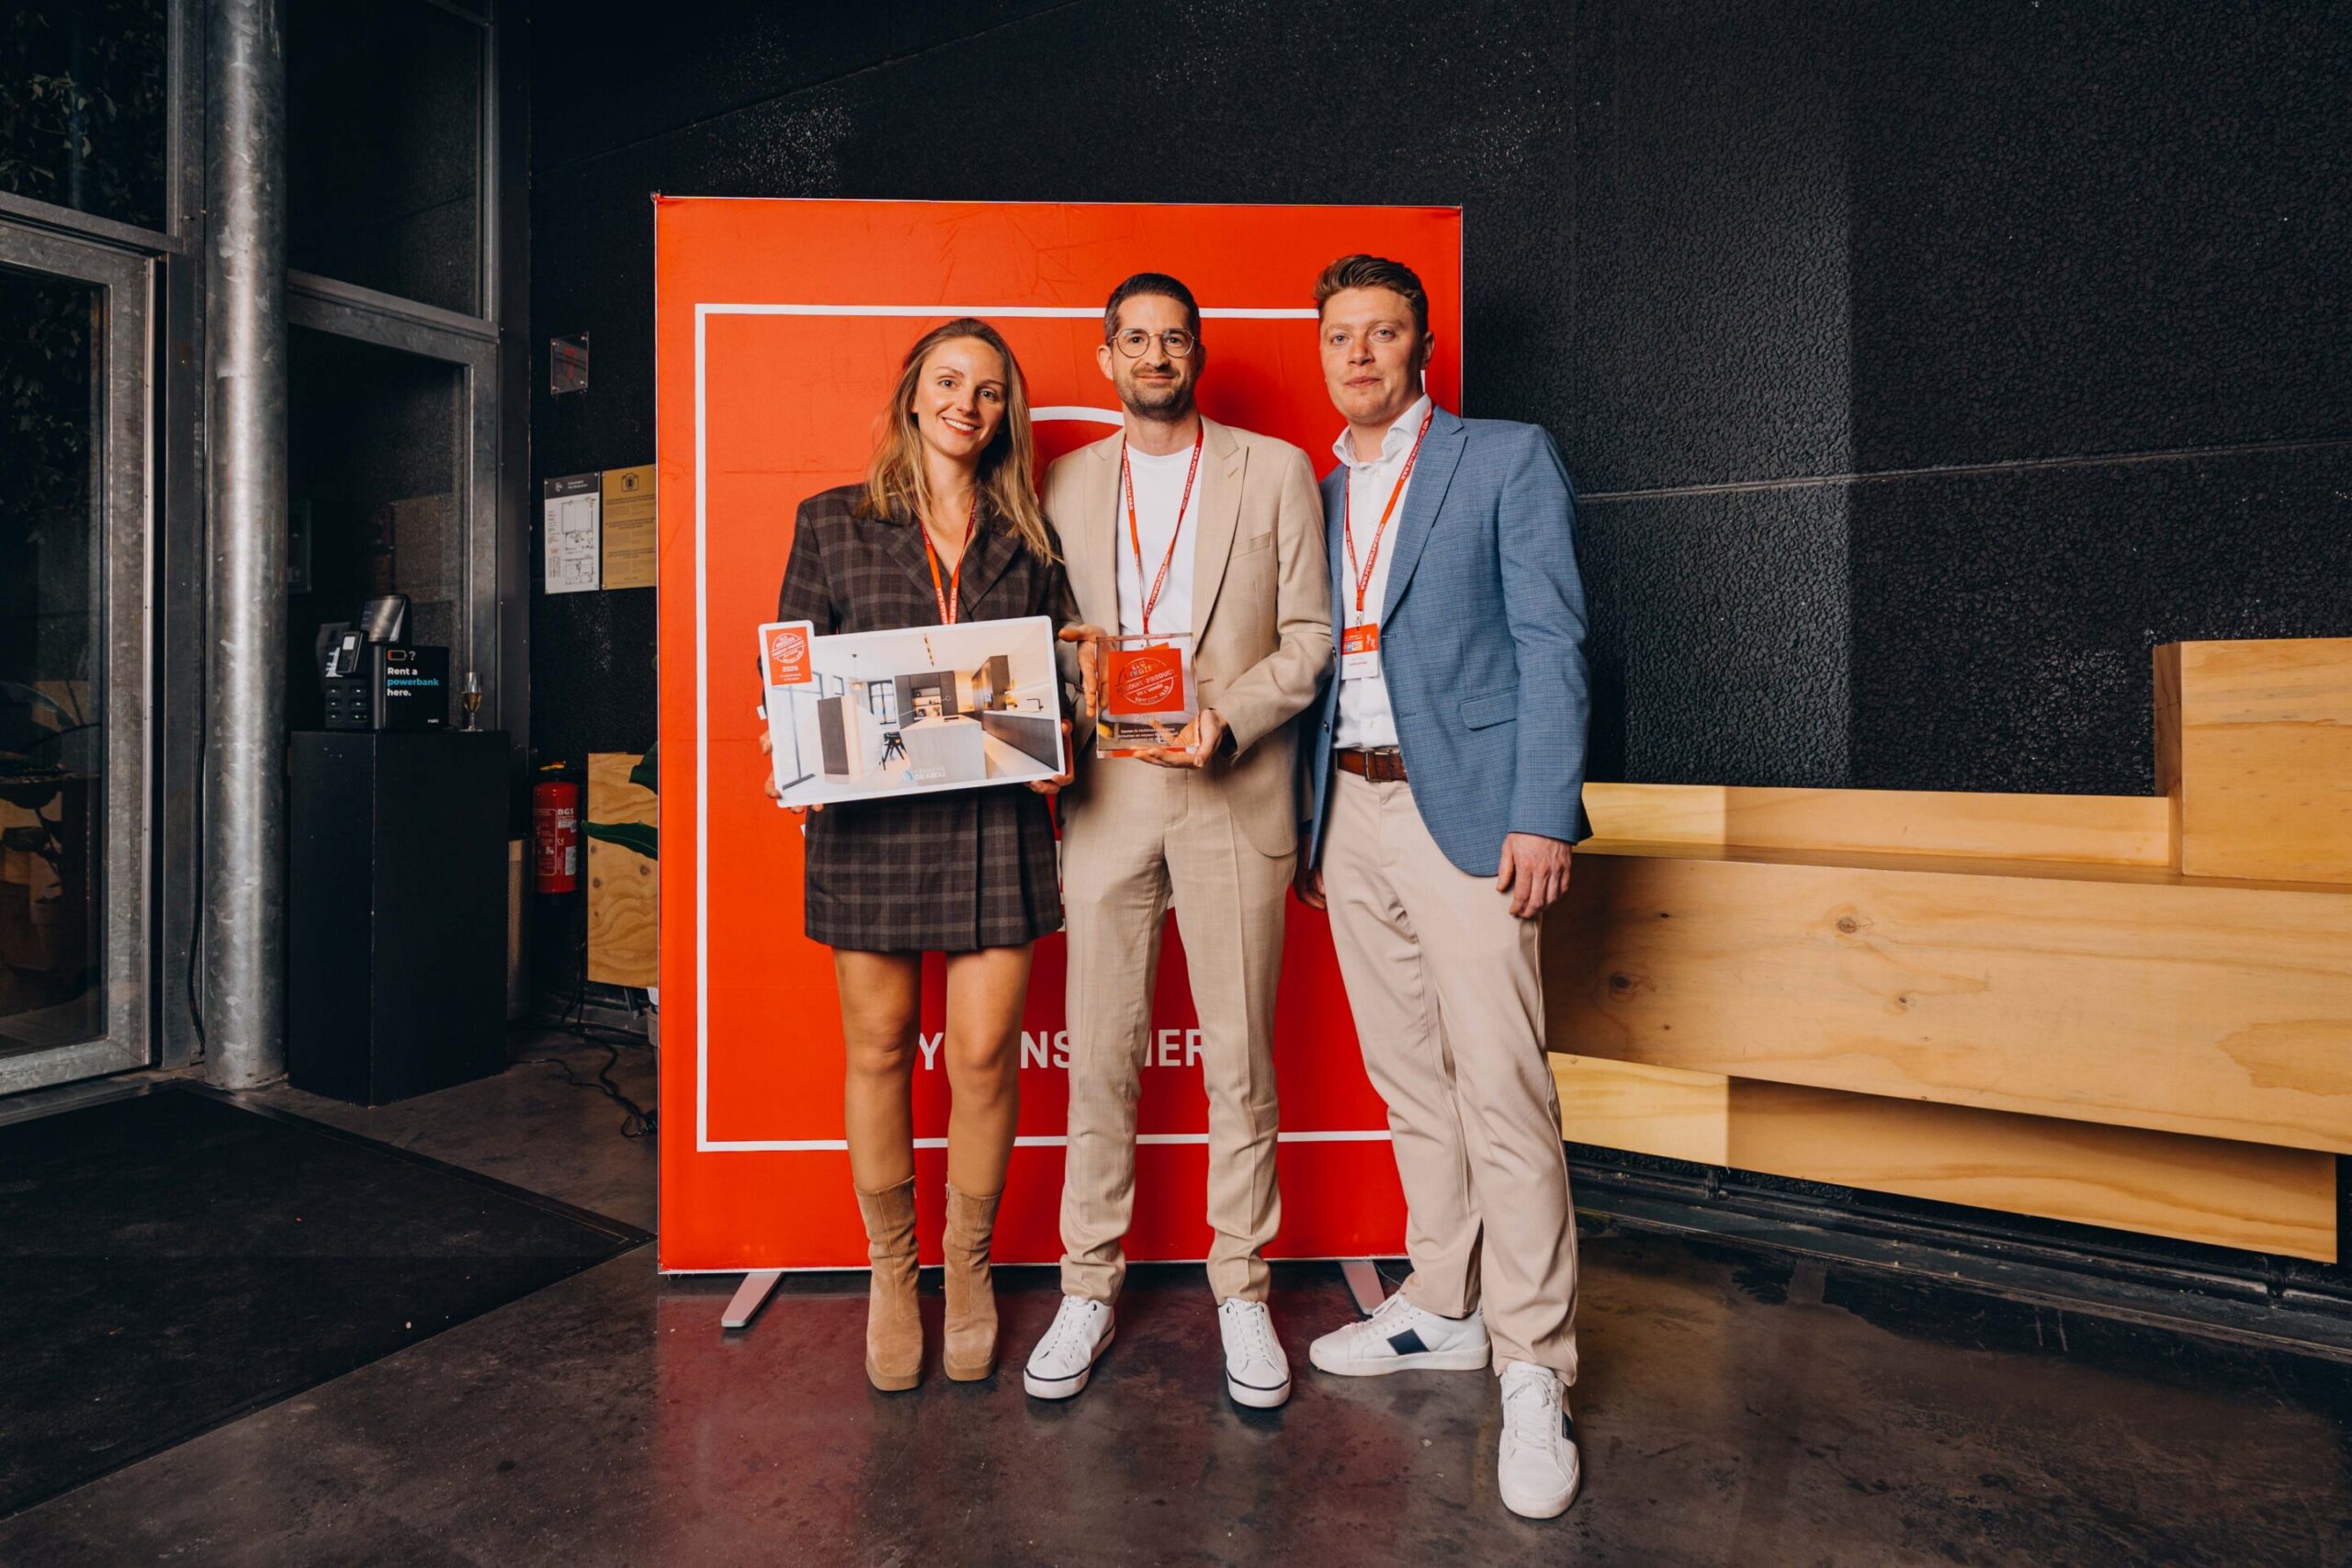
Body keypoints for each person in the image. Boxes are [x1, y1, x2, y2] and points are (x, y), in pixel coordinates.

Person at [1294, 255, 1590, 1518]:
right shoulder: (1313, 493)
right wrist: (1310, 829)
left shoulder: (1504, 458)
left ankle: (1536, 1363)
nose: (1360, 355)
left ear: (1420, 347)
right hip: (1348, 809)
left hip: (1467, 806)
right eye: (1340, 336)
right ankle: (1445, 1303)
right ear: (1322, 350)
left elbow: (1552, 637)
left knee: (1503, 1088)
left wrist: (1542, 809)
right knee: (1411, 1078)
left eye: (1383, 333)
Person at [1022, 274, 1332, 1409]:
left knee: (1239, 1062)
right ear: (1107, 357)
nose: (1156, 356)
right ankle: (1087, 1286)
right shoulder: (1064, 481)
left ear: (1197, 354)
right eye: (1136, 340)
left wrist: (1230, 717)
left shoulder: (1275, 470)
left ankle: (1241, 1288)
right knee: (1099, 1056)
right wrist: (1064, 691)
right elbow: (1044, 639)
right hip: (1109, 799)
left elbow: (1310, 637)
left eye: (1175, 340)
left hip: (1231, 789)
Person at [763, 317, 1073, 1392]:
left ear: (1004, 414)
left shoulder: (1032, 536)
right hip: (872, 823)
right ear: (911, 395)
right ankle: (893, 1274)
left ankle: (967, 1267)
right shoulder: (831, 522)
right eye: (948, 382)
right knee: (882, 1046)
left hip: (994, 822)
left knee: (983, 1055)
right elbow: (791, 667)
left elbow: (1063, 671)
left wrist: (1065, 734)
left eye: (987, 391)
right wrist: (791, 736)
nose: (965, 405)